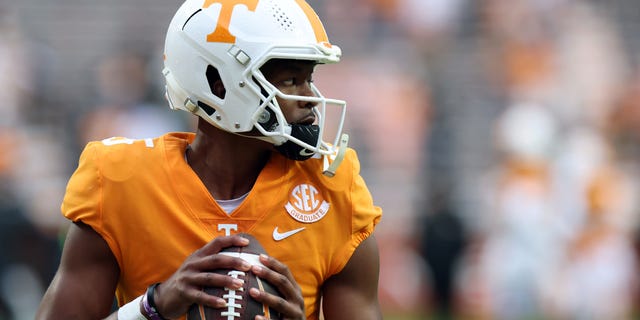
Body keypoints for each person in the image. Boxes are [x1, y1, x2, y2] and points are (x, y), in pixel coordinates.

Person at [36, 0, 382, 319]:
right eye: (291, 80)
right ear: (218, 84)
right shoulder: (119, 179)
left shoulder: (333, 184)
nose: (309, 98)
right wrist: (152, 307)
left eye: (309, 79)